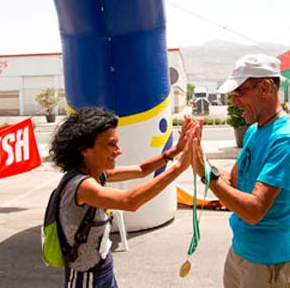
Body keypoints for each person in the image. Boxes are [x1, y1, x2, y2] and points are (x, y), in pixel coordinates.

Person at [191, 54, 290, 288]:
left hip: (267, 262)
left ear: (265, 87)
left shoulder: (287, 140)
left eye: (239, 92)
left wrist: (206, 173)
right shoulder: (254, 131)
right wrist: (199, 159)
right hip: (240, 252)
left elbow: (255, 211)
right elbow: (234, 182)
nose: (234, 101)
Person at [49, 107, 193, 288]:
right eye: (110, 144)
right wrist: (179, 167)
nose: (118, 151)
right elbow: (129, 201)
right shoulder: (82, 186)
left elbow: (141, 170)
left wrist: (175, 150)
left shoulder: (98, 173)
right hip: (86, 278)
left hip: (102, 267)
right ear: (84, 150)